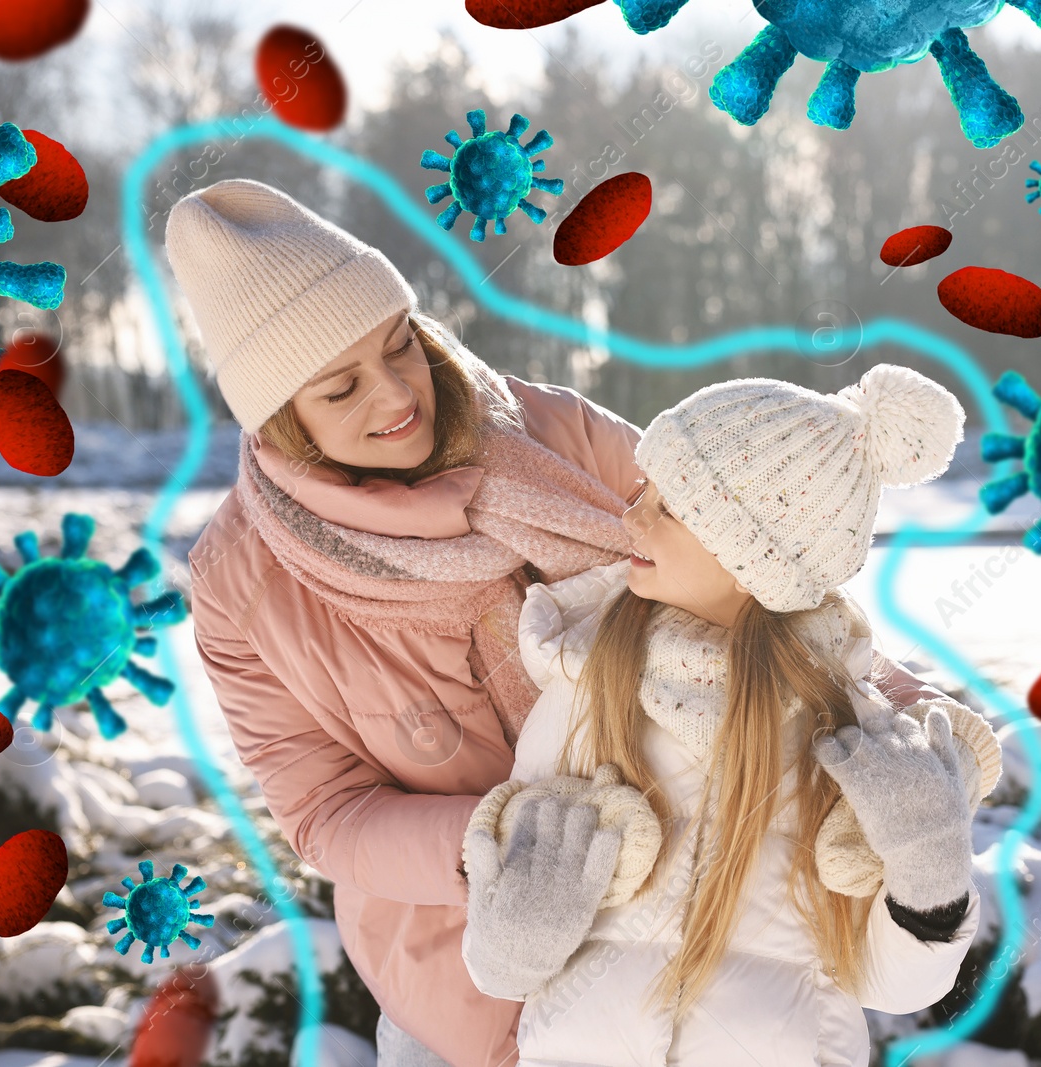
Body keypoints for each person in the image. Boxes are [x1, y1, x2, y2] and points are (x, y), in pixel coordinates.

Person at [166, 178, 644, 1067]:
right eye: (341, 388)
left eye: (401, 347)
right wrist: (496, 844)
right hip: (460, 989)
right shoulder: (242, 585)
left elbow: (744, 562)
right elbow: (323, 812)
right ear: (282, 421)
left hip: (682, 915)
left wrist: (894, 713)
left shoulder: (551, 433)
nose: (396, 398)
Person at [460, 365, 1003, 1065]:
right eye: (643, 490)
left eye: (671, 507)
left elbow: (892, 985)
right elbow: (498, 965)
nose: (631, 517)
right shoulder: (583, 691)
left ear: (756, 558)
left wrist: (932, 873)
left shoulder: (850, 740)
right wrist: (513, 941)